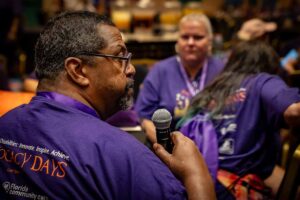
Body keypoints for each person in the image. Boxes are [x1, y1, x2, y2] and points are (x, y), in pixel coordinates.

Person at [0, 11, 215, 199]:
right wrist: (196, 175)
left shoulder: (6, 126)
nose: (131, 70)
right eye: (120, 56)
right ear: (78, 70)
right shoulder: (123, 157)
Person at [177, 40, 300, 199]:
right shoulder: (263, 81)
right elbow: (294, 112)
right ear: (270, 64)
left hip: (197, 184)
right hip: (235, 188)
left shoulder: (211, 88)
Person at [135, 13, 225, 144]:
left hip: (217, 147)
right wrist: (169, 149)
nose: (190, 42)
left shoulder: (223, 70)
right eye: (185, 37)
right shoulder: (160, 71)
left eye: (198, 37)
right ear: (177, 41)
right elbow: (145, 118)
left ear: (210, 41)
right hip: (172, 147)